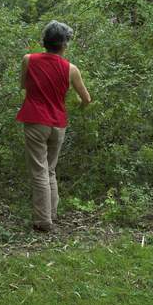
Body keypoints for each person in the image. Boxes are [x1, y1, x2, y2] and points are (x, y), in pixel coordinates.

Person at [16, 20, 91, 232]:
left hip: (35, 120)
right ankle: (51, 214)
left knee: (39, 171)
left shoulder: (28, 60)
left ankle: (43, 221)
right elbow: (86, 99)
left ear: (44, 40)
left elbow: (23, 86)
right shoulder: (71, 69)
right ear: (64, 44)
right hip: (58, 123)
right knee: (49, 170)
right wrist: (78, 108)